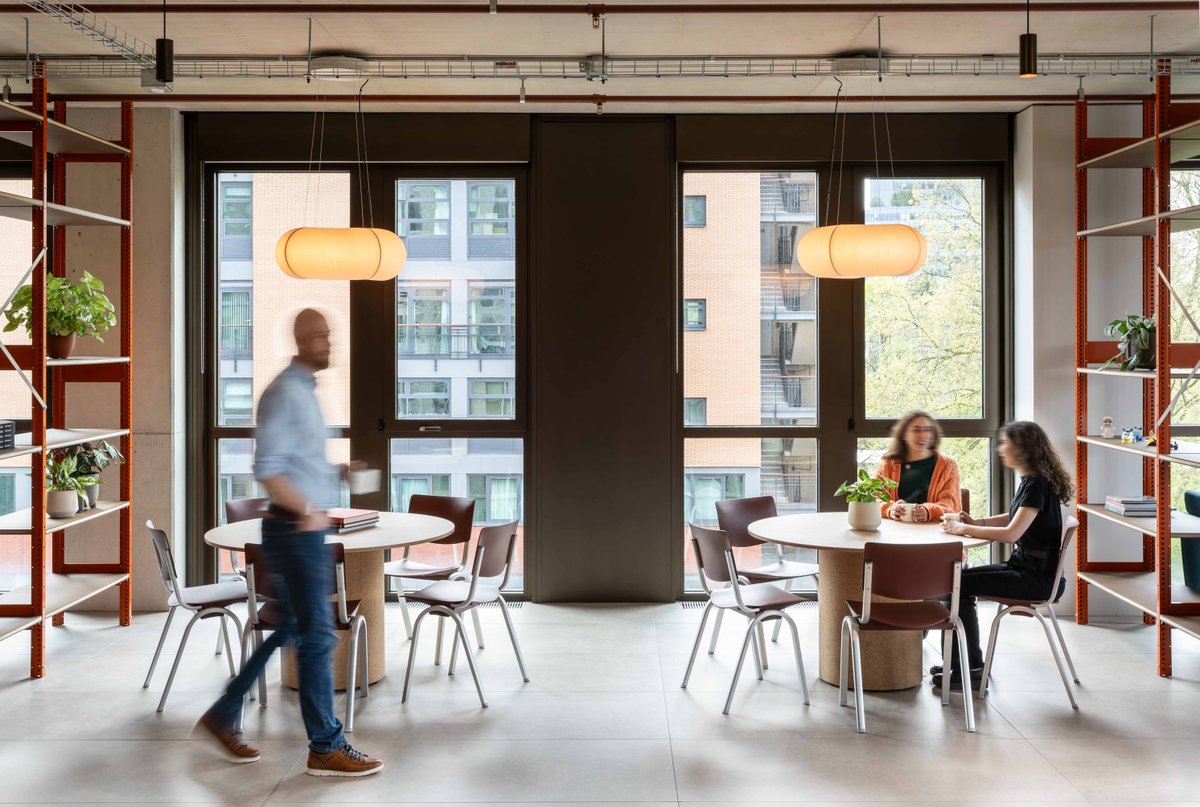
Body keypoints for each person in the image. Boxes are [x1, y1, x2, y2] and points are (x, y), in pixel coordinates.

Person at [196, 308, 383, 778]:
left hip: (302, 529)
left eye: (328, 334)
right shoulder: (284, 393)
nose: (327, 342)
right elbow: (268, 469)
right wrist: (305, 509)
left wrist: (337, 473)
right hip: (293, 531)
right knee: (317, 637)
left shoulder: (305, 392)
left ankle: (223, 713)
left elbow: (297, 463)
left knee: (296, 629)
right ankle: (326, 746)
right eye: (319, 335)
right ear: (300, 340)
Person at [936, 420, 1073, 690]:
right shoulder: (1033, 480)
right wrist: (978, 522)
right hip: (1029, 570)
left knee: (957, 585)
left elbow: (1012, 533)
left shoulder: (1036, 484)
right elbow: (1015, 517)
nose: (1000, 449)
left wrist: (964, 529)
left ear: (1022, 449)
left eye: (1005, 444)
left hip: (1034, 579)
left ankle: (968, 668)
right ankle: (961, 663)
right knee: (958, 581)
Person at [874, 410, 962, 524]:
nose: (923, 435)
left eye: (928, 430)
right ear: (904, 434)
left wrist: (929, 512)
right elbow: (874, 499)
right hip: (894, 531)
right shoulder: (887, 464)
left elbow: (952, 506)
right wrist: (890, 510)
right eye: (916, 430)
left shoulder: (948, 465)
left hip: (934, 531)